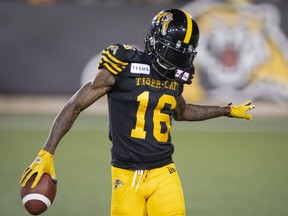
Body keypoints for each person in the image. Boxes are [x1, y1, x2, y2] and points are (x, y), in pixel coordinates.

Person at [20, 8, 255, 216]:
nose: (174, 62)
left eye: (181, 55)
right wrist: (46, 152)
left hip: (165, 173)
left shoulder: (175, 77)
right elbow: (76, 105)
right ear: (154, 42)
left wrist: (227, 110)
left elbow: (182, 111)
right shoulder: (122, 65)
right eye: (171, 52)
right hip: (125, 176)